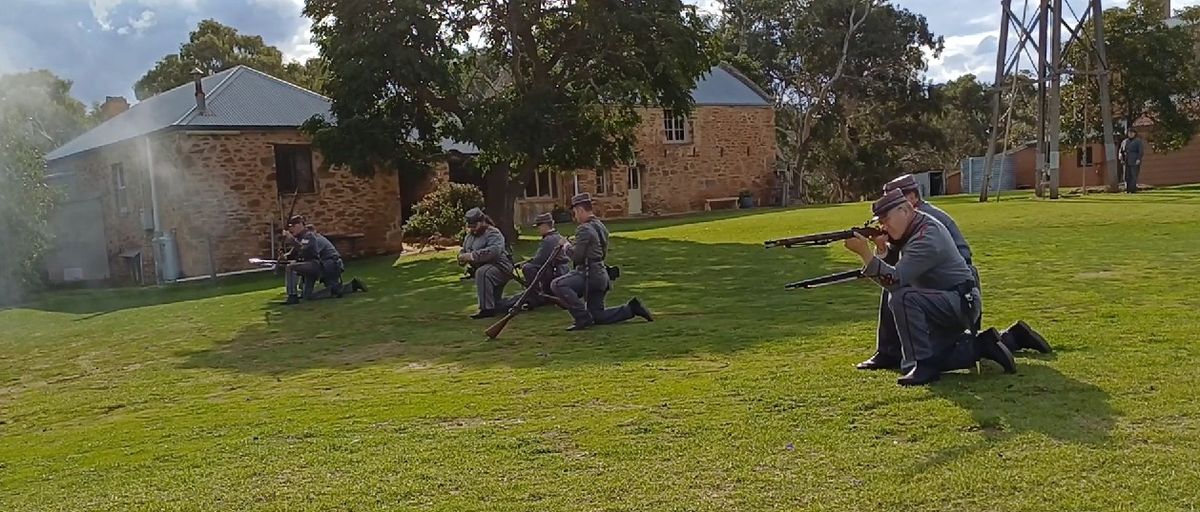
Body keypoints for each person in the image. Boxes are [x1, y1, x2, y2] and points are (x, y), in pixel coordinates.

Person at [844, 189, 1016, 386]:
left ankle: (924, 365)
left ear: (905, 211)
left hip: (958, 303)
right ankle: (997, 342)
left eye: (886, 219)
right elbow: (893, 271)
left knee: (902, 297)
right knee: (933, 352)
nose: (883, 226)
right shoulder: (914, 227)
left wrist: (865, 254)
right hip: (945, 301)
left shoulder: (927, 236)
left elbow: (896, 280)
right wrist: (882, 249)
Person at [550, 193, 654, 331]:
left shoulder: (583, 229)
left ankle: (582, 317)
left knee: (557, 284)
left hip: (589, 275)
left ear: (581, 210)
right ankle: (631, 309)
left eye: (575, 212)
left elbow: (577, 257)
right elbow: (598, 250)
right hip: (601, 274)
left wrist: (566, 245)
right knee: (598, 315)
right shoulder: (600, 225)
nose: (575, 217)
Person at [280, 215, 366, 305]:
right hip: (322, 264)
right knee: (308, 296)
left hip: (327, 264)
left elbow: (304, 250)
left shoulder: (309, 236)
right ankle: (349, 287)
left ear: (300, 225)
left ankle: (292, 296)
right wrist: (284, 257)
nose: (291, 229)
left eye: (293, 226)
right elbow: (293, 254)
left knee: (291, 267)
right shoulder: (299, 238)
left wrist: (292, 240)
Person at [497, 212, 570, 312]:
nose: (537, 229)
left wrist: (526, 265)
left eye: (538, 226)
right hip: (559, 271)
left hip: (555, 273)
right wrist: (526, 262)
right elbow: (542, 258)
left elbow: (538, 261)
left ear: (544, 225)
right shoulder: (556, 237)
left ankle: (536, 296)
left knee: (528, 268)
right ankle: (536, 295)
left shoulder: (549, 240)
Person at [458, 207, 513, 319]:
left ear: (482, 222)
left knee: (482, 273)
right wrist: (461, 257)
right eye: (470, 227)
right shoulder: (469, 237)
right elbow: (464, 249)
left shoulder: (494, 233)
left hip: (500, 267)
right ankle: (517, 302)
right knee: (497, 303)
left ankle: (486, 310)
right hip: (483, 269)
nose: (472, 229)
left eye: (474, 226)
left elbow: (494, 251)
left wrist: (472, 256)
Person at [1120, 129, 1144, 193]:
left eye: (1132, 133)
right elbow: (1121, 151)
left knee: (1133, 175)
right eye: (1129, 133)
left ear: (1134, 133)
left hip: (1134, 160)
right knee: (1126, 176)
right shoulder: (1124, 141)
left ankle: (1133, 189)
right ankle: (1127, 189)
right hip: (1126, 160)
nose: (1130, 134)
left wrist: (1138, 159)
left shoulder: (1138, 141)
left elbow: (1140, 151)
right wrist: (1121, 157)